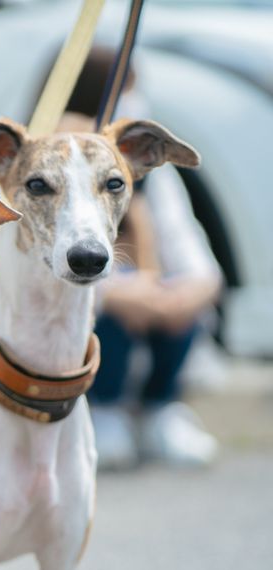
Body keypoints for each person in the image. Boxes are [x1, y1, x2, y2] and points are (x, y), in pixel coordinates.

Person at [61, 49, 223, 469]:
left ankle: (160, 408)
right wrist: (118, 296)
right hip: (89, 328)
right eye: (122, 96)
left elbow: (197, 262)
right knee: (105, 300)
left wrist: (178, 298)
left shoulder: (155, 177)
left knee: (181, 300)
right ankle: (104, 408)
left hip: (149, 314)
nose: (133, 108)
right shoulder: (49, 170)